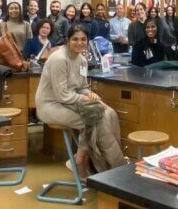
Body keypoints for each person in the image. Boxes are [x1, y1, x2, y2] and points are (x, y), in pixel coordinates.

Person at [35, 25, 127, 177]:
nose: (79, 43)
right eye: (75, 39)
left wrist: (94, 97)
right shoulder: (59, 59)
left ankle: (91, 161)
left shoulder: (82, 60)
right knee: (96, 120)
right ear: (67, 40)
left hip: (71, 101)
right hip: (51, 104)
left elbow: (83, 87)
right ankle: (111, 168)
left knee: (109, 113)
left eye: (83, 39)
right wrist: (86, 99)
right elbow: (62, 95)